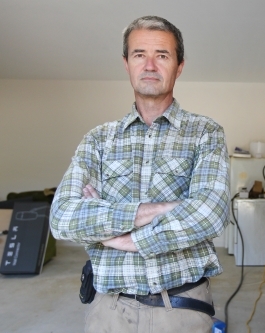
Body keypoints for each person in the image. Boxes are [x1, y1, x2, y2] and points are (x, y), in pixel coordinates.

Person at [50, 16, 230, 333]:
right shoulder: (98, 140)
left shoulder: (205, 133)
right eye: (139, 55)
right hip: (109, 310)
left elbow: (210, 213)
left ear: (179, 66)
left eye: (162, 55)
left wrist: (120, 238)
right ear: (126, 64)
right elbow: (62, 217)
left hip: (181, 308)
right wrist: (164, 208)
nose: (149, 65)